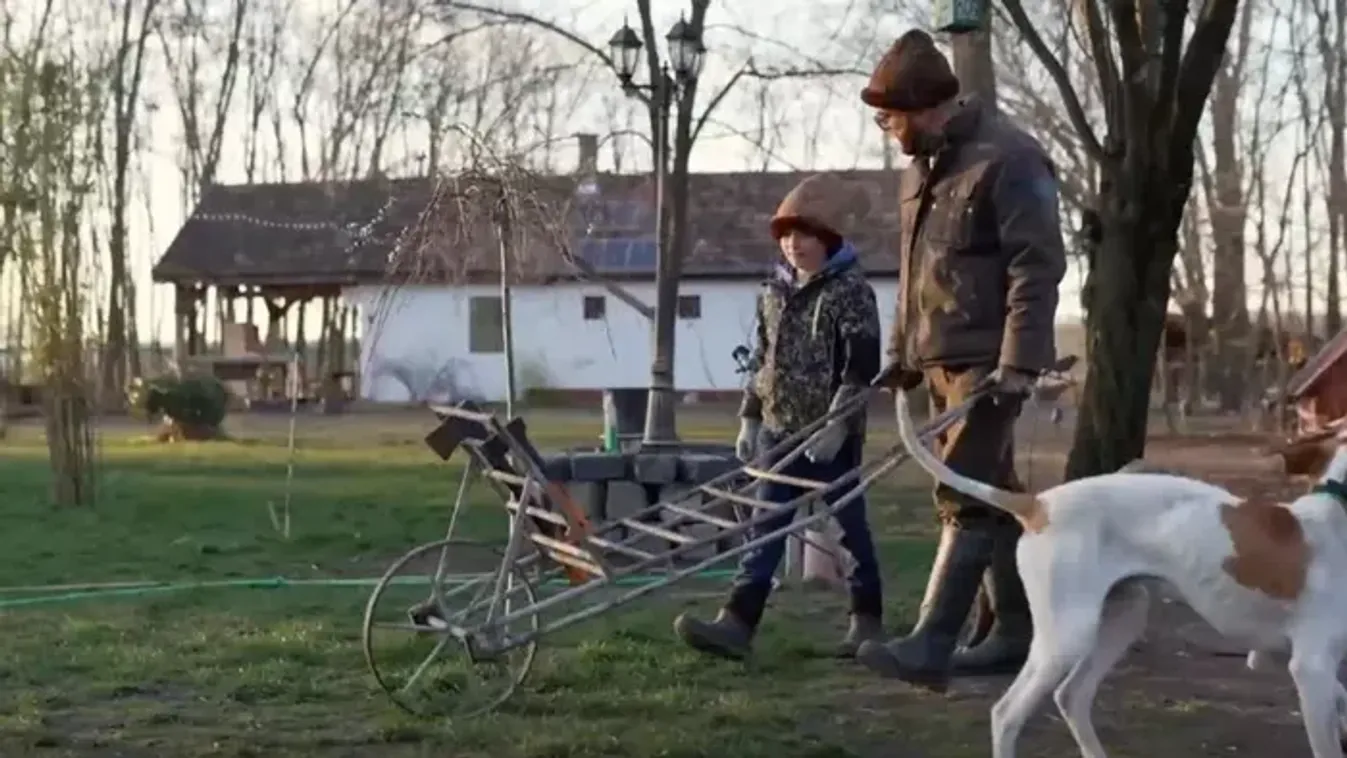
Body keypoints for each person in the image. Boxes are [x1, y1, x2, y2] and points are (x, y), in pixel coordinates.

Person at [853, 29, 1067, 691]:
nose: (889, 132)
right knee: (993, 497)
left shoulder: (1010, 158)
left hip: (989, 364)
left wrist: (1019, 362)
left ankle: (930, 643)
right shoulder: (921, 169)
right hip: (938, 361)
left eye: (892, 119)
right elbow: (914, 269)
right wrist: (901, 352)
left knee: (963, 493)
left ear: (926, 108)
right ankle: (1014, 633)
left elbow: (1037, 266)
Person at [673, 173, 885, 661]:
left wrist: (838, 423)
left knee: (848, 528)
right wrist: (750, 417)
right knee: (765, 527)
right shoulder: (774, 290)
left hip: (829, 435)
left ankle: (867, 622)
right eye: (786, 236)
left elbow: (862, 364)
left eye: (804, 235)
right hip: (778, 430)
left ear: (828, 237)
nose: (794, 245)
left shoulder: (850, 291)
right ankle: (737, 622)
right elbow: (762, 358)